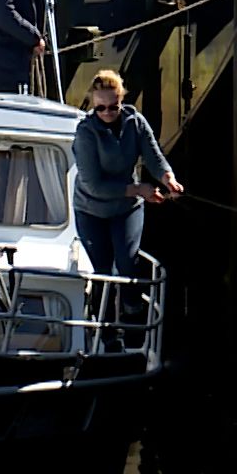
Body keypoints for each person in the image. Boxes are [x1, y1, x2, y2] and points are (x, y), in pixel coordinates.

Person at [72, 70, 183, 335]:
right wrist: (139, 188)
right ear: (93, 105)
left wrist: (169, 179)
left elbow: (153, 156)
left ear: (122, 101)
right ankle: (104, 329)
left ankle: (133, 315)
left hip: (127, 208)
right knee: (102, 271)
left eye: (113, 106)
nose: (108, 112)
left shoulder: (135, 121)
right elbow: (93, 185)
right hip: (91, 210)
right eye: (101, 108)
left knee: (127, 262)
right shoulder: (86, 133)